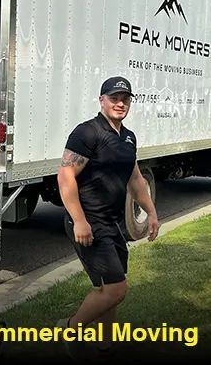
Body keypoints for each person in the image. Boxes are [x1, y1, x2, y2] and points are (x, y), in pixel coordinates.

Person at [57, 76, 159, 357]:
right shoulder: (87, 133)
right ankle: (70, 329)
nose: (120, 103)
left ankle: (105, 346)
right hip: (89, 222)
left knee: (109, 289)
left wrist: (151, 212)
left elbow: (135, 178)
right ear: (101, 100)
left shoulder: (128, 137)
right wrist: (79, 220)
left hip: (112, 222)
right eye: (114, 98)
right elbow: (65, 176)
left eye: (125, 99)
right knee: (116, 289)